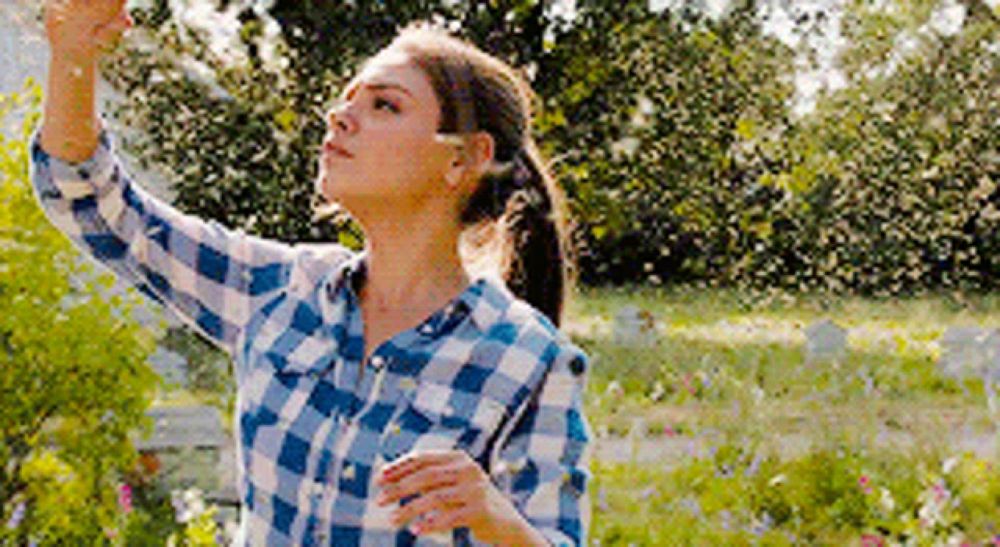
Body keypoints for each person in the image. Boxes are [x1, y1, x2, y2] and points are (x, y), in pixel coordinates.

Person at [31, 1, 592, 545]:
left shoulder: (529, 360)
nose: (339, 115)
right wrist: (73, 50)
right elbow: (94, 206)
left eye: (385, 106)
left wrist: (499, 521)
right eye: (347, 98)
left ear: (463, 159)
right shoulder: (277, 291)